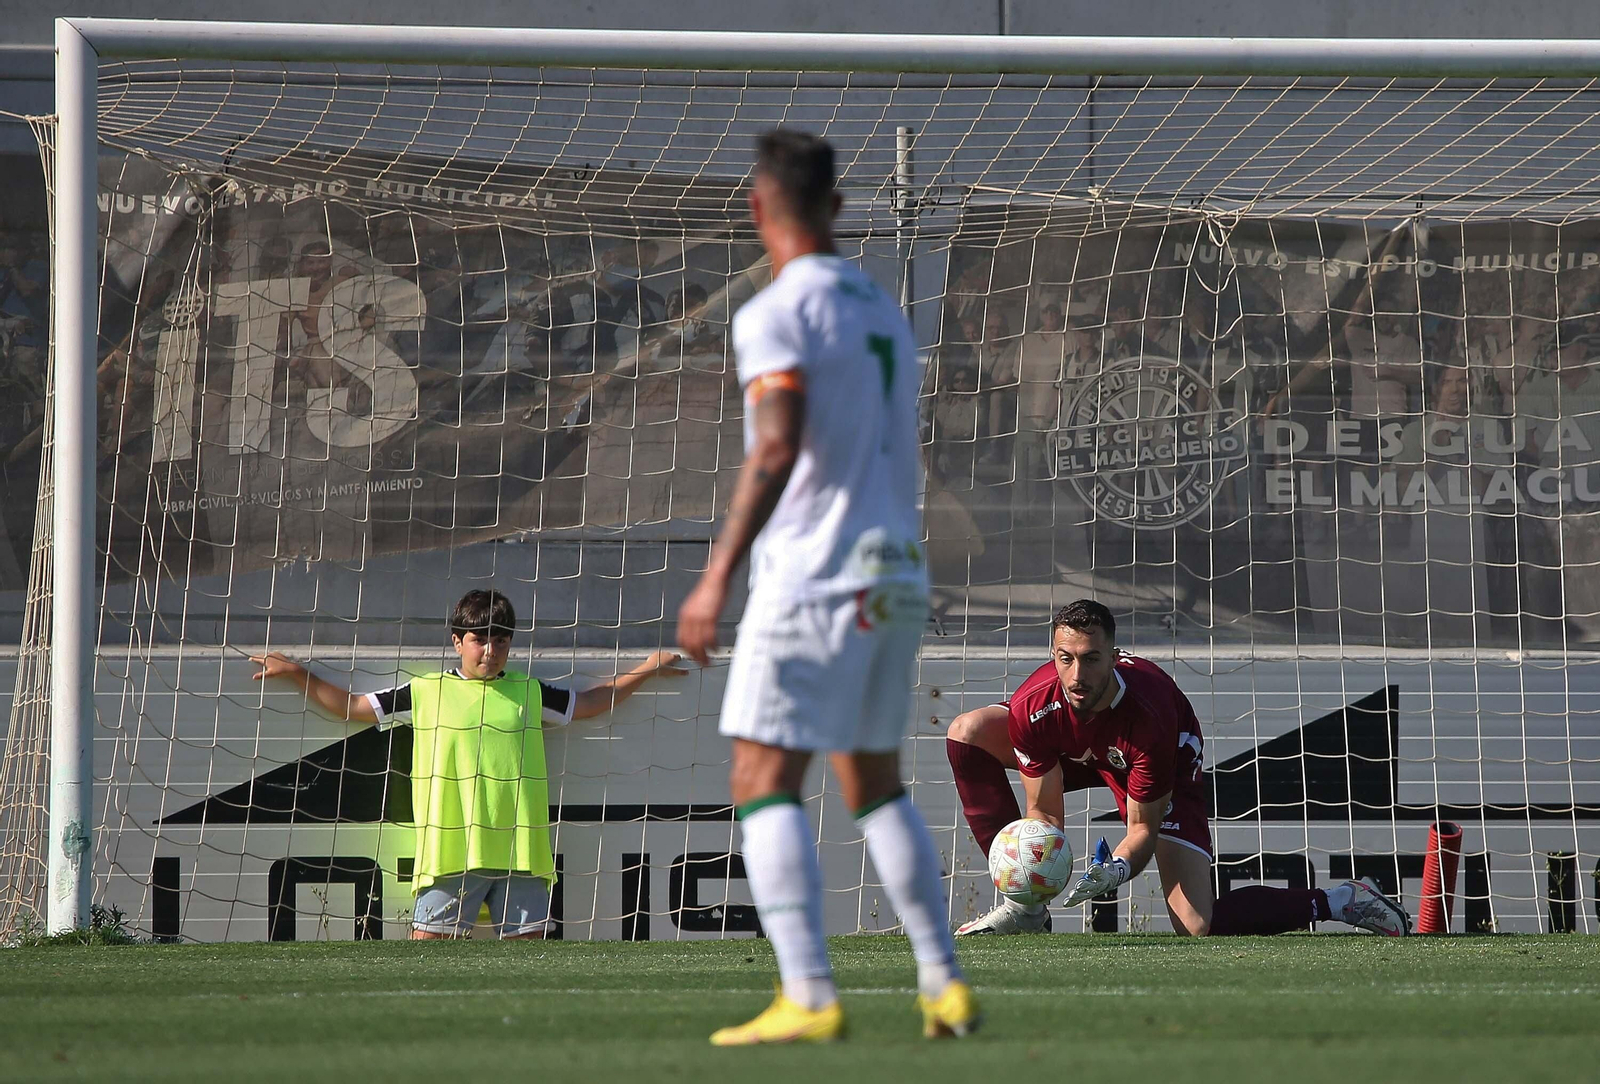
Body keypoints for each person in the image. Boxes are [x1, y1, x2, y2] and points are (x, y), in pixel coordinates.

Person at [676, 128, 976, 1045]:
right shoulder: (884, 308)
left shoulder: (774, 310)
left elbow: (776, 445)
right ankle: (943, 984)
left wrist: (714, 577)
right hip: (896, 569)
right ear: (839, 207)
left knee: (761, 774)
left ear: (760, 208)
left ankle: (807, 992)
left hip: (812, 574)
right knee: (873, 778)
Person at [945, 599, 1412, 938]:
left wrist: (1117, 870)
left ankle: (1340, 900)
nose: (1076, 675)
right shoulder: (1035, 706)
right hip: (1078, 750)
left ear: (1113, 656)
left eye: (1090, 660)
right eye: (1065, 660)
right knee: (967, 732)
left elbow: (1141, 829)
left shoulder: (1150, 720)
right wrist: (1033, 880)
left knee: (1196, 924)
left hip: (1146, 761)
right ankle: (1024, 912)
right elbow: (1043, 814)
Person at [252, 589, 683, 940]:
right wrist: (295, 673)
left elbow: (590, 703)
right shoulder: (423, 692)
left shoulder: (529, 692)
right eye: (480, 640)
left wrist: (645, 670)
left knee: (528, 976)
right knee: (427, 970)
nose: (490, 651)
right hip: (449, 855)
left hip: (522, 854)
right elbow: (350, 707)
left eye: (500, 640)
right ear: (458, 642)